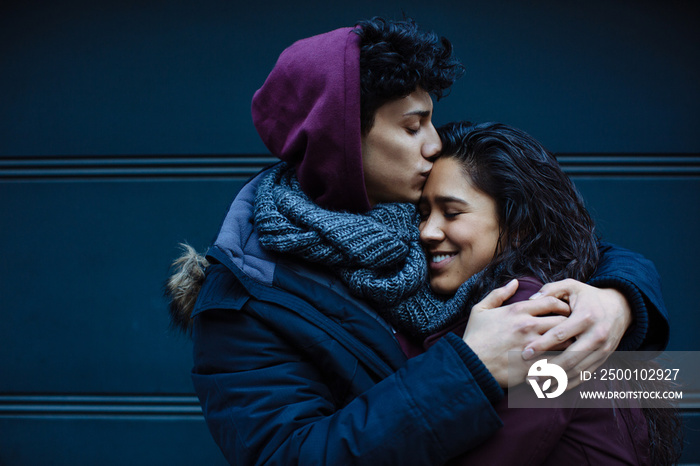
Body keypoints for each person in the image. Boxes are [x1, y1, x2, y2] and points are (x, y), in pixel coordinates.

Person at [166, 17, 669, 464]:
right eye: (413, 127)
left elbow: (561, 245)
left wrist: (618, 300)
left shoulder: (413, 214)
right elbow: (289, 454)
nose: (434, 142)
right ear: (340, 138)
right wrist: (471, 370)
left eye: (430, 118)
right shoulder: (248, 301)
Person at [407, 121, 681, 465]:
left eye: (451, 213)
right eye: (423, 214)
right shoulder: (528, 296)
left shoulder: (534, 322)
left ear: (518, 226)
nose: (427, 232)